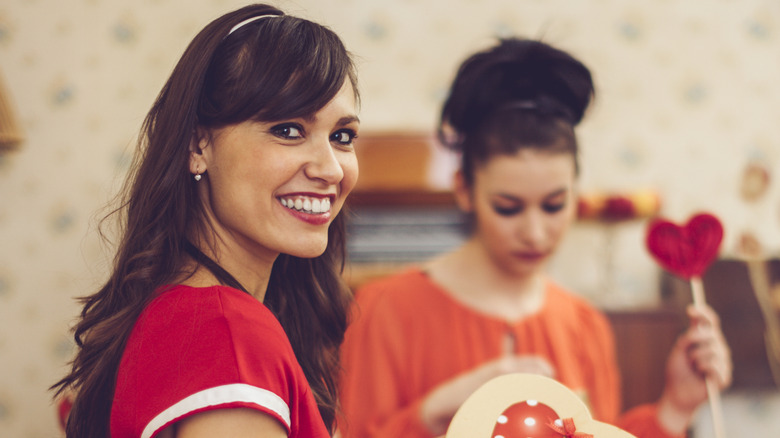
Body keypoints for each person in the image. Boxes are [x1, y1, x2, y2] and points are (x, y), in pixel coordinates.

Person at [337, 38, 732, 438]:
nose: (535, 233)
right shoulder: (386, 310)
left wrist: (676, 406)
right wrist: (434, 412)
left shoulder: (583, 325)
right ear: (464, 189)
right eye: (508, 208)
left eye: (555, 205)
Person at [51, 4, 360, 437]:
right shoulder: (229, 334)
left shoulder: (178, 316)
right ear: (198, 145)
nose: (330, 169)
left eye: (342, 136)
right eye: (288, 130)